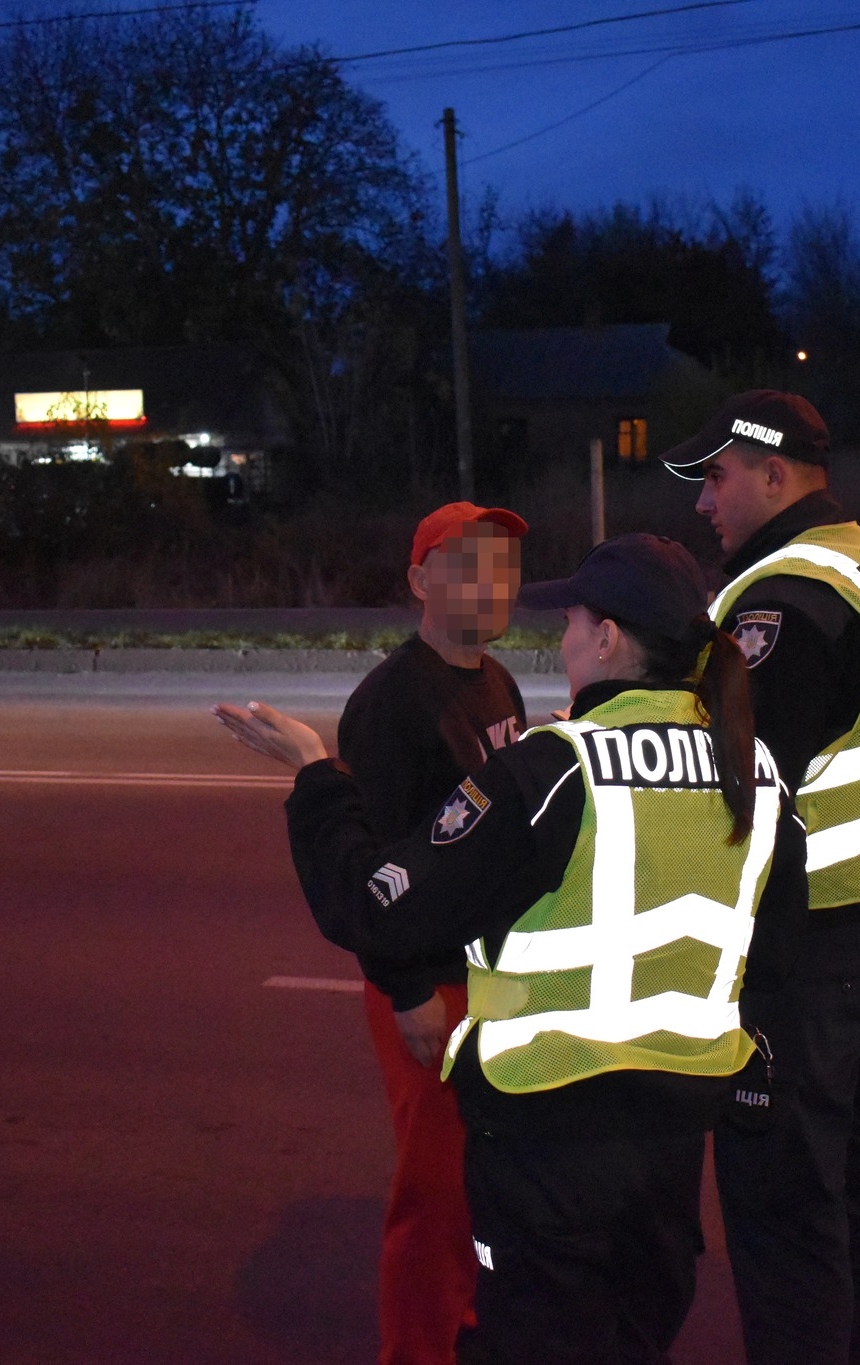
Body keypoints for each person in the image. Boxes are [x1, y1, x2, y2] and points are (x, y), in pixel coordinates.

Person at [217, 534, 807, 1365]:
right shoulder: (756, 769)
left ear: (607, 639)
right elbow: (775, 956)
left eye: (570, 622)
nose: (560, 641)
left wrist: (318, 776)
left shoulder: (554, 773)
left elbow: (382, 905)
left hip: (549, 1139)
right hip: (673, 1140)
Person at [661, 391, 860, 1365]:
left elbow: (729, 788)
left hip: (799, 955)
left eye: (717, 477)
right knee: (847, 1198)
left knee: (784, 1225)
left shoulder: (784, 598)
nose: (702, 502)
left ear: (774, 474)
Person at [336, 501, 531, 1365]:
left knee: (485, 1175)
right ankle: (415, 1347)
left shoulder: (497, 681)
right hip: (427, 984)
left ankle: (467, 1315)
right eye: (468, 562)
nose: (492, 582)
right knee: (435, 1186)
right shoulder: (391, 703)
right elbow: (367, 874)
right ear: (420, 579)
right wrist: (409, 990)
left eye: (505, 564)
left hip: (490, 977)